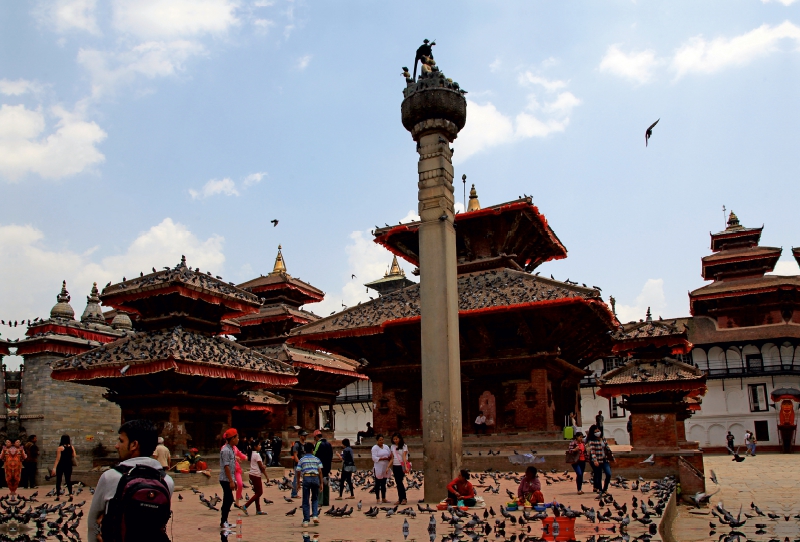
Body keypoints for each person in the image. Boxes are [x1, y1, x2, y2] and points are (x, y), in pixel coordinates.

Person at [88, 419, 174, 542]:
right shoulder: (166, 481)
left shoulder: (111, 477)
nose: (117, 445)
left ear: (134, 445)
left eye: (121, 441)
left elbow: (93, 523)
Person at [296, 442, 323, 528]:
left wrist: (298, 483)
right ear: (312, 450)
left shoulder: (302, 460)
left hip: (306, 478)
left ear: (304, 450)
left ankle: (306, 520)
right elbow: (320, 471)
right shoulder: (316, 459)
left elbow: (298, 471)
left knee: (305, 500)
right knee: (315, 498)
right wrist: (321, 483)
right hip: (315, 478)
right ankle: (315, 515)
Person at [219, 428, 239, 530]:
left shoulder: (231, 449)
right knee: (229, 499)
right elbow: (226, 466)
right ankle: (223, 522)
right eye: (237, 437)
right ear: (232, 439)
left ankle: (224, 521)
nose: (238, 439)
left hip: (229, 478)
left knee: (228, 499)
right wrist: (231, 480)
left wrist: (233, 480)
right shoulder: (226, 450)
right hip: (225, 479)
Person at [242, 441, 269, 516]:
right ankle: (245, 506)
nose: (260, 446)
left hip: (252, 474)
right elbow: (261, 467)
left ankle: (258, 509)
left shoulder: (252, 454)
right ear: (255, 447)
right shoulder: (257, 455)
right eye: (259, 445)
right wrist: (267, 476)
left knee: (257, 493)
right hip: (256, 475)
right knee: (260, 492)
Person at [587, 424, 613, 494]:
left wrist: (612, 457)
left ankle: (605, 489)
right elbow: (592, 451)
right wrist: (595, 460)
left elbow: (607, 448)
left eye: (598, 431)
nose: (597, 433)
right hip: (597, 460)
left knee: (608, 473)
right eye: (596, 432)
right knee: (598, 475)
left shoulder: (603, 439)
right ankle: (600, 490)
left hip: (605, 459)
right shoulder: (592, 441)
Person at [51, 435, 77, 500]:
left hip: (61, 465)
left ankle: (58, 496)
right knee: (68, 480)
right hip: (68, 465)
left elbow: (58, 459)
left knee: (59, 480)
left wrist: (54, 468)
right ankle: (70, 494)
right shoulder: (72, 447)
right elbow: (74, 455)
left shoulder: (60, 448)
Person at [371, 434, 391, 503]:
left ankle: (384, 498)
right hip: (378, 467)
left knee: (384, 483)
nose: (381, 441)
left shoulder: (386, 447)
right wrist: (382, 458)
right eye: (380, 440)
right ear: (377, 441)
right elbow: (374, 458)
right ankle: (378, 498)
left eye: (382, 440)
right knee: (377, 483)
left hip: (385, 466)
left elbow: (389, 454)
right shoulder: (374, 448)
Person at [390, 432, 408, 505]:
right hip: (395, 465)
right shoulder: (392, 446)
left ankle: (403, 498)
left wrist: (406, 466)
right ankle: (400, 499)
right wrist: (388, 467)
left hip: (401, 465)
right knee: (397, 482)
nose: (395, 440)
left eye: (396, 439)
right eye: (394, 439)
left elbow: (404, 457)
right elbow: (392, 457)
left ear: (399, 439)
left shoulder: (404, 446)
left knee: (400, 482)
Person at [290, 430, 308, 498]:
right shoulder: (297, 444)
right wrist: (299, 463)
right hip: (298, 464)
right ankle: (294, 493)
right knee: (296, 479)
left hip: (305, 464)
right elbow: (295, 455)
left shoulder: (305, 444)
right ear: (300, 436)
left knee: (306, 478)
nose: (305, 437)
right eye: (304, 436)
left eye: (305, 436)